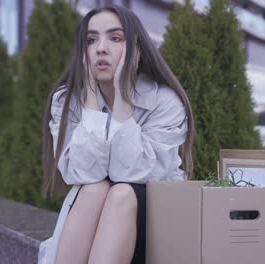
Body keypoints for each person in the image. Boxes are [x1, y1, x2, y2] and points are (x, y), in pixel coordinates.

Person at [38, 5, 194, 264]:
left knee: (121, 191)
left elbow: (131, 173)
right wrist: (89, 101)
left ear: (136, 49)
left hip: (152, 222)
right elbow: (83, 173)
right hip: (94, 214)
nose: (101, 48)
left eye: (115, 38)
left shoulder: (165, 103)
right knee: (95, 188)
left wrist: (122, 100)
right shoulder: (67, 101)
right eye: (91, 40)